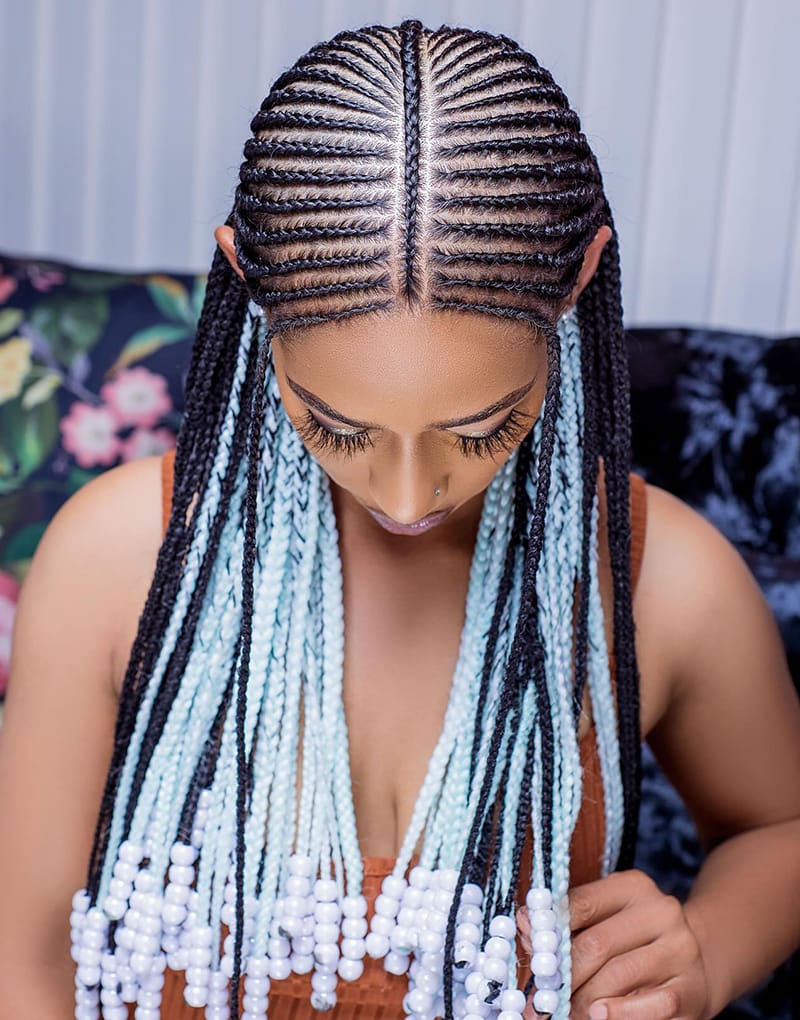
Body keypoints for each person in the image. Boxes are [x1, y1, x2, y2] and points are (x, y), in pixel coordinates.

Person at [0, 19, 798, 1020]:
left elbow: (780, 829)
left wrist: (707, 951)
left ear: (578, 282)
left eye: (479, 428)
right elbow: (28, 964)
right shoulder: (118, 561)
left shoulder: (659, 580)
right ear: (246, 283)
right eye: (335, 424)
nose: (406, 496)